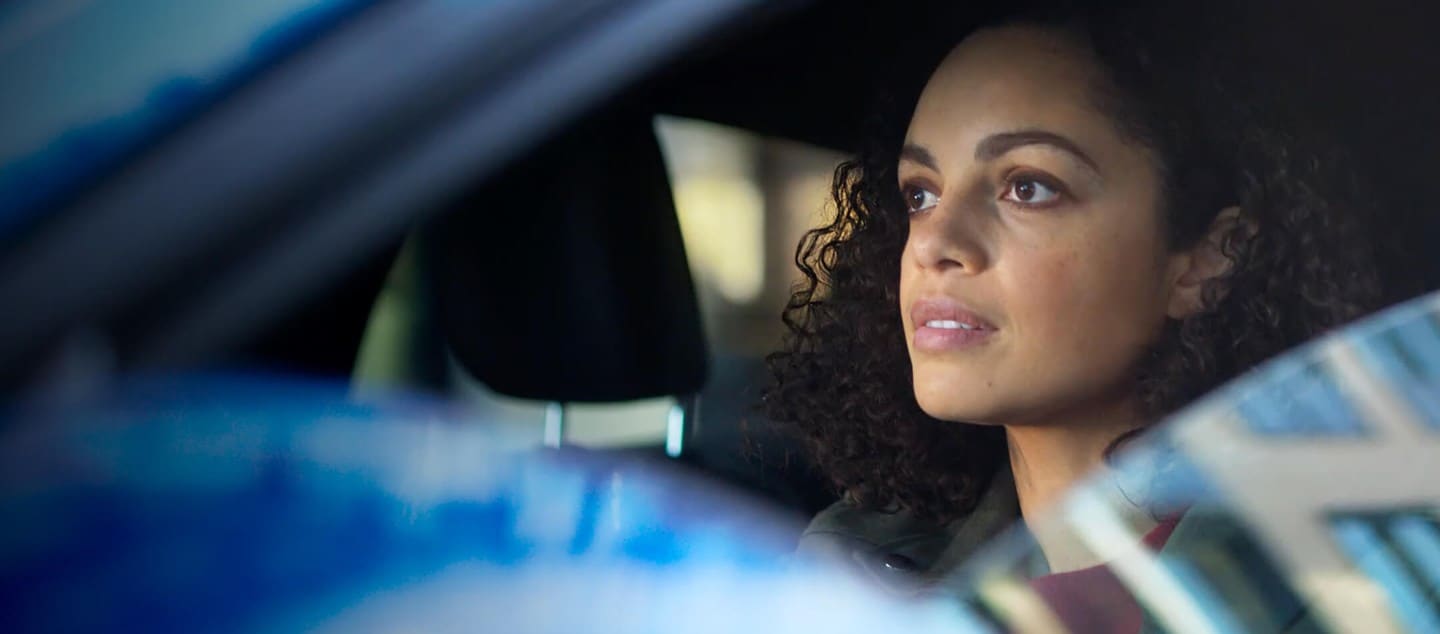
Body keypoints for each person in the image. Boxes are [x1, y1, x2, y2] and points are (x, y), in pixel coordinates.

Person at [763, 0, 1411, 628]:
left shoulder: (1366, 580)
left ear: (1209, 257)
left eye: (1029, 187)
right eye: (921, 194)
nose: (933, 243)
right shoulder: (850, 567)